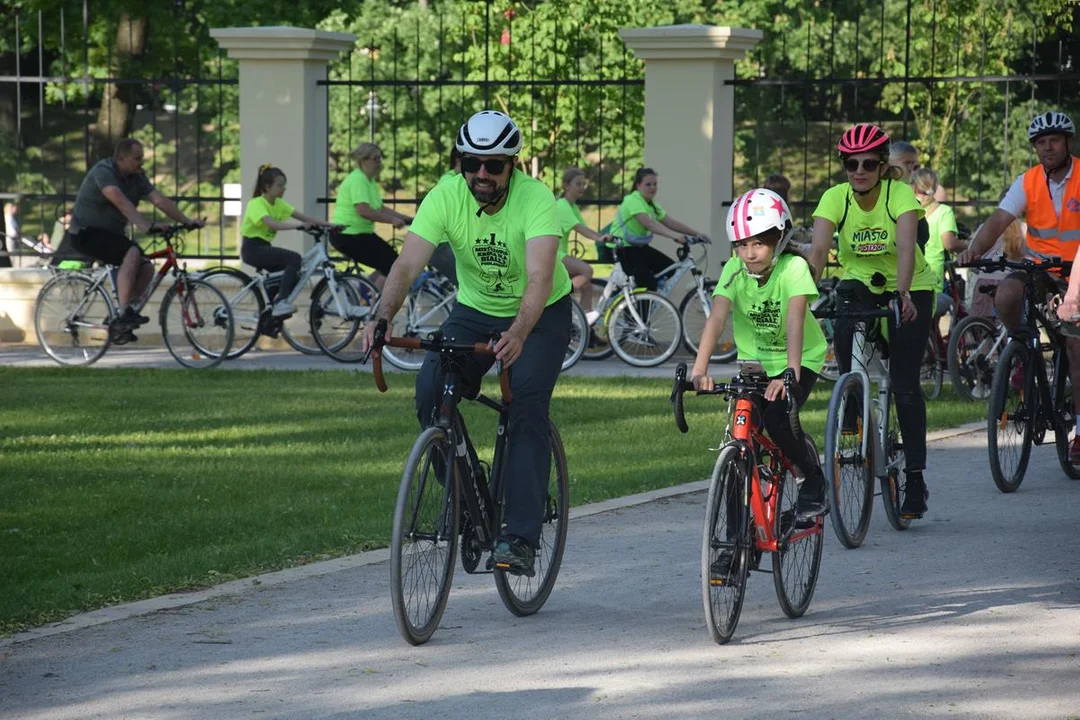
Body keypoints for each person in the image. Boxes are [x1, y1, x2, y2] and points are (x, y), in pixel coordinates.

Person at [361, 110, 572, 576]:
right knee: (430, 392)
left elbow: (539, 278)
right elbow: (406, 266)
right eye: (471, 162)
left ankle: (519, 536)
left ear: (511, 164)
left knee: (526, 408)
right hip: (475, 312)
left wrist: (517, 333)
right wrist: (382, 315)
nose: (481, 173)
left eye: (493, 165)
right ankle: (467, 495)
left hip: (539, 315)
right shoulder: (446, 195)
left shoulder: (537, 200)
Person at [808, 123, 935, 519]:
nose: (858, 171)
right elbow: (817, 252)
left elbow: (906, 248)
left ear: (882, 166)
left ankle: (914, 477)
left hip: (910, 284)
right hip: (860, 281)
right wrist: (803, 293)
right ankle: (852, 403)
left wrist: (902, 295)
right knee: (844, 317)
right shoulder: (835, 198)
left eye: (867, 163)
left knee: (904, 383)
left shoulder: (900, 195)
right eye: (850, 164)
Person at [691, 188, 828, 527]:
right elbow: (717, 318)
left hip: (801, 358)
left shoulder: (794, 267)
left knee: (778, 422)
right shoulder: (735, 270)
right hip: (754, 363)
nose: (749, 253)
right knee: (742, 439)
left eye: (758, 244)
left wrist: (789, 374)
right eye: (741, 245)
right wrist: (699, 369)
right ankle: (735, 544)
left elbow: (796, 319)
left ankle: (812, 479)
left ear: (779, 239)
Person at [961, 111, 1080, 460]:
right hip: (1039, 267)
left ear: (1067, 142)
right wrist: (973, 251)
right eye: (1041, 143)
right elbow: (999, 220)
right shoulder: (1027, 181)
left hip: (1077, 268)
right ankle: (1022, 351)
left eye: (1054, 141)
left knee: (1075, 348)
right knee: (1007, 293)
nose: (1047, 147)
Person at [68, 138, 203, 344]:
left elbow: (159, 200)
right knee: (131, 252)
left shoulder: (137, 177)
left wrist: (187, 221)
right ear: (121, 158)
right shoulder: (103, 171)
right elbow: (119, 200)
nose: (141, 163)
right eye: (137, 158)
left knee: (147, 267)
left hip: (111, 234)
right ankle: (123, 312)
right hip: (86, 232)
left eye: (142, 158)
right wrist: (144, 225)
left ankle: (121, 316)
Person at [241, 164, 334, 318]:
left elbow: (305, 218)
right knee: (294, 258)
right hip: (252, 249)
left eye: (284, 185)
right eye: (279, 185)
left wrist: (331, 225)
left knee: (293, 276)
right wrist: (297, 226)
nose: (283, 189)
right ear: (267, 186)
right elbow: (270, 222)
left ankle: (269, 313)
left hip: (264, 247)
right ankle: (281, 302)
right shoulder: (257, 203)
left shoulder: (279, 204)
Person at [609, 168, 709, 291]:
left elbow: (669, 222)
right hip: (623, 247)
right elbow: (648, 223)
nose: (652, 188)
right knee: (647, 283)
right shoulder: (632, 200)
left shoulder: (651, 203)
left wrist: (697, 234)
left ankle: (650, 296)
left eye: (655, 184)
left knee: (670, 268)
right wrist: (674, 236)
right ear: (638, 185)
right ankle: (639, 306)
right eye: (648, 184)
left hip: (639, 247)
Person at [331, 143, 414, 291]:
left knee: (391, 264)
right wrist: (392, 220)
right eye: (376, 158)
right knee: (393, 265)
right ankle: (369, 300)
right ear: (364, 160)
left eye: (380, 158)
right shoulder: (358, 180)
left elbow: (380, 208)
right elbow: (364, 211)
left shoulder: (369, 181)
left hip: (359, 235)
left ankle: (364, 292)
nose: (379, 162)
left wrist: (407, 218)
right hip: (349, 236)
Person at [556, 167, 613, 319]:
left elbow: (586, 228)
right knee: (587, 271)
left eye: (583, 184)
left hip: (561, 253)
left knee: (587, 287)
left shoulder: (572, 206)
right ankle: (556, 300)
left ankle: (586, 326)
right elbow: (580, 229)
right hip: (554, 254)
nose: (582, 187)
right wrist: (600, 238)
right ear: (566, 186)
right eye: (578, 184)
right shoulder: (562, 205)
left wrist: (602, 237)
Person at [912, 167, 966, 316]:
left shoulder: (907, 208)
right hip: (931, 281)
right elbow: (950, 243)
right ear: (935, 187)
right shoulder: (943, 211)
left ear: (914, 186)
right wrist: (970, 245)